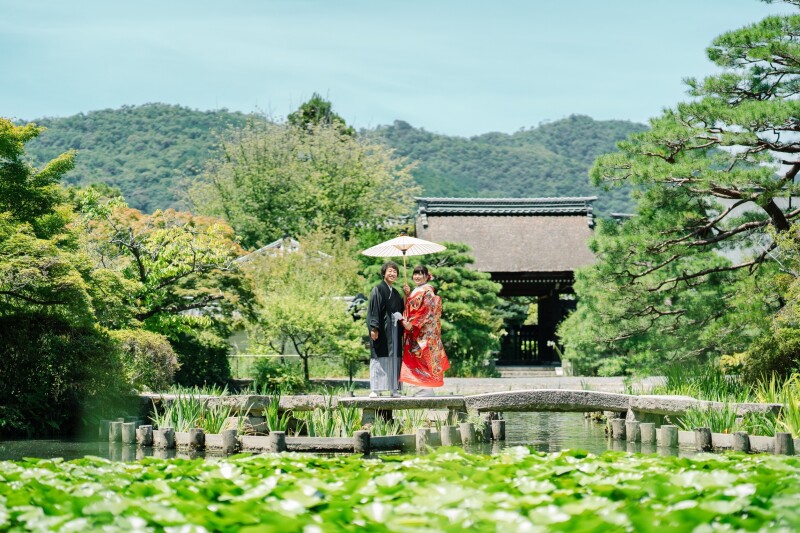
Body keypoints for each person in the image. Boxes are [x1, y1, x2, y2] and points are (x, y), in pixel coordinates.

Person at [399, 265, 449, 394]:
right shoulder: (416, 290)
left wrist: (413, 324)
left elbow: (427, 311)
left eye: (420, 274)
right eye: (415, 274)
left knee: (424, 358)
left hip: (423, 331)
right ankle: (421, 388)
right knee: (415, 358)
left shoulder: (428, 291)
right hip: (413, 329)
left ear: (427, 277)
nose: (417, 276)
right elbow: (409, 308)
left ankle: (428, 388)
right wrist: (406, 295)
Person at [366, 261, 406, 397]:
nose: (392, 273)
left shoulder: (395, 293)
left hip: (394, 330)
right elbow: (374, 310)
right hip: (382, 330)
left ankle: (394, 389)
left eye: (395, 271)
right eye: (390, 271)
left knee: (394, 357)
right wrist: (374, 327)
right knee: (379, 356)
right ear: (384, 273)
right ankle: (375, 389)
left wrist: (406, 295)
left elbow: (402, 309)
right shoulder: (378, 289)